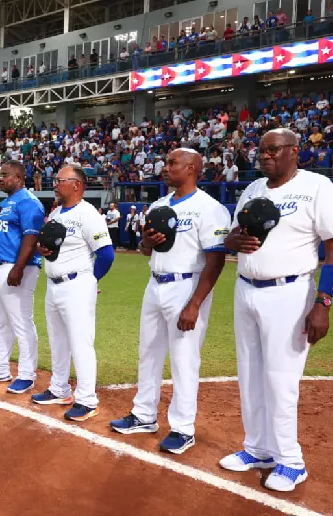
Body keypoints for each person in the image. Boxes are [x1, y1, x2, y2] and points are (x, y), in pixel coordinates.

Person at [219, 128, 333, 492]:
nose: (264, 156)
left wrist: (323, 303)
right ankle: (258, 448)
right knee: (250, 375)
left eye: (273, 149)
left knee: (281, 379)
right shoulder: (252, 189)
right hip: (245, 289)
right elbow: (231, 236)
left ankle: (291, 461)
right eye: (261, 150)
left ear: (294, 152)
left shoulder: (317, 186)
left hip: (289, 293)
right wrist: (231, 241)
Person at [110, 148, 230, 455]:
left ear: (191, 168)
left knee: (184, 359)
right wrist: (146, 242)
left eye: (172, 163)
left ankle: (183, 428)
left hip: (186, 285)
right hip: (156, 283)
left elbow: (216, 260)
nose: (165, 167)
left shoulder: (210, 208)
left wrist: (195, 303)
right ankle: (144, 415)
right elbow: (146, 249)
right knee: (147, 352)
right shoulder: (160, 204)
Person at [31, 164, 115, 422]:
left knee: (81, 343)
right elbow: (46, 247)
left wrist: (90, 281)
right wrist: (40, 251)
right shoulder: (56, 213)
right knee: (58, 340)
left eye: (60, 180)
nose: (55, 184)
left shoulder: (88, 213)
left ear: (76, 185)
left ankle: (87, 400)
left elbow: (106, 253)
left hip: (77, 283)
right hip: (54, 284)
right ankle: (60, 389)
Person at [0, 161, 45, 392]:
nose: (0, 178)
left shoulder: (28, 202)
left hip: (16, 268)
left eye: (5, 175)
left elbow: (31, 237)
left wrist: (18, 267)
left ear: (19, 177)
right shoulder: (6, 203)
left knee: (22, 321)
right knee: (3, 321)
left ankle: (26, 374)